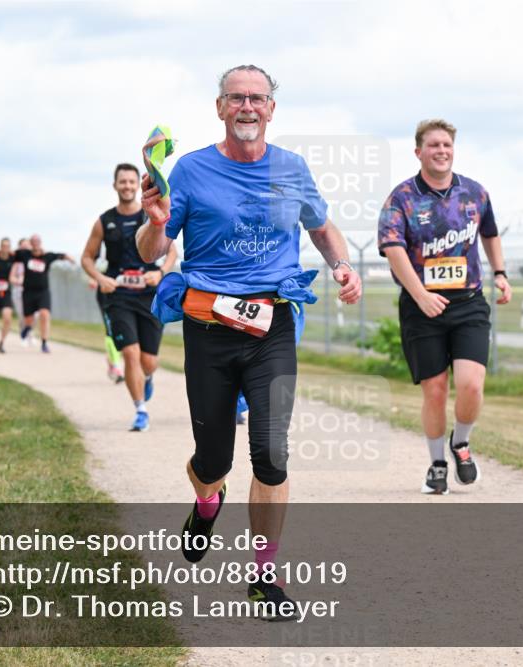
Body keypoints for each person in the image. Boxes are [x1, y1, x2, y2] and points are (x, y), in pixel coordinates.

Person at [137, 64, 362, 617]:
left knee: (271, 451)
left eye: (256, 99)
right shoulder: (189, 171)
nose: (246, 107)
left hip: (272, 325)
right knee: (213, 459)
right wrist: (153, 220)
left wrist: (342, 264)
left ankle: (264, 576)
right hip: (209, 328)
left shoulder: (292, 168)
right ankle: (207, 501)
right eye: (235, 98)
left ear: (271, 109)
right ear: (219, 108)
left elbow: (320, 225)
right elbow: (150, 250)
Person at [378, 118, 512, 495]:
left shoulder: (474, 193)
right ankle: (437, 462)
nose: (441, 151)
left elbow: (489, 233)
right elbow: (392, 248)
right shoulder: (402, 198)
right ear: (418, 151)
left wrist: (500, 272)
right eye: (433, 145)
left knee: (471, 385)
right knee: (435, 389)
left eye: (447, 145)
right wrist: (420, 294)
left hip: (468, 302)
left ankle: (461, 443)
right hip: (422, 308)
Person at [81, 162, 179, 432]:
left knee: (149, 361)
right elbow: (87, 258)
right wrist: (101, 279)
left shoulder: (151, 217)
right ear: (115, 185)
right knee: (130, 354)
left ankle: (147, 378)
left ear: (138, 186)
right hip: (118, 297)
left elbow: (171, 251)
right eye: (122, 182)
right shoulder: (104, 221)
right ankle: (140, 410)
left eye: (131, 182)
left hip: (149, 296)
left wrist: (159, 273)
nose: (126, 186)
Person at [14, 234, 73, 353]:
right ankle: (27, 327)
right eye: (33, 241)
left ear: (41, 242)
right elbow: (8, 254)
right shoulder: (25, 255)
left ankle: (44, 343)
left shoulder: (47, 256)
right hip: (28, 292)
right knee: (29, 319)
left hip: (43, 292)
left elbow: (61, 255)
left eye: (38, 241)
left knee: (45, 314)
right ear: (30, 243)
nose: (36, 243)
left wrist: (70, 259)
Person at [88, 278, 125, 384]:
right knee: (111, 330)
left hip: (126, 292)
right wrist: (94, 279)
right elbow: (91, 264)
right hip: (106, 290)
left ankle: (112, 361)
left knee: (124, 331)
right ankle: (117, 367)